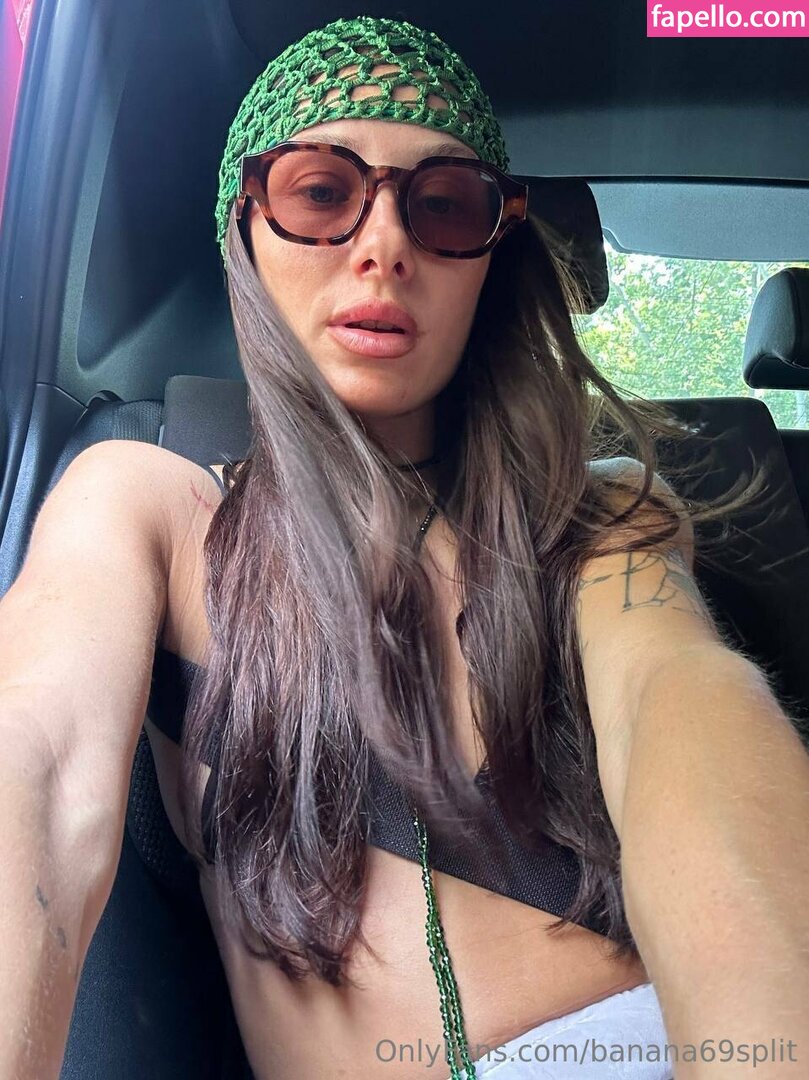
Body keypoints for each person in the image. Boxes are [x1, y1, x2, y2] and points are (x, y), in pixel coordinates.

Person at [1, 13, 807, 1080]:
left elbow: (682, 706)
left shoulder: (597, 518)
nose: (383, 245)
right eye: (319, 192)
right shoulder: (150, 503)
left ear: (489, 257)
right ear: (246, 230)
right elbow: (39, 761)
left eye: (443, 205)